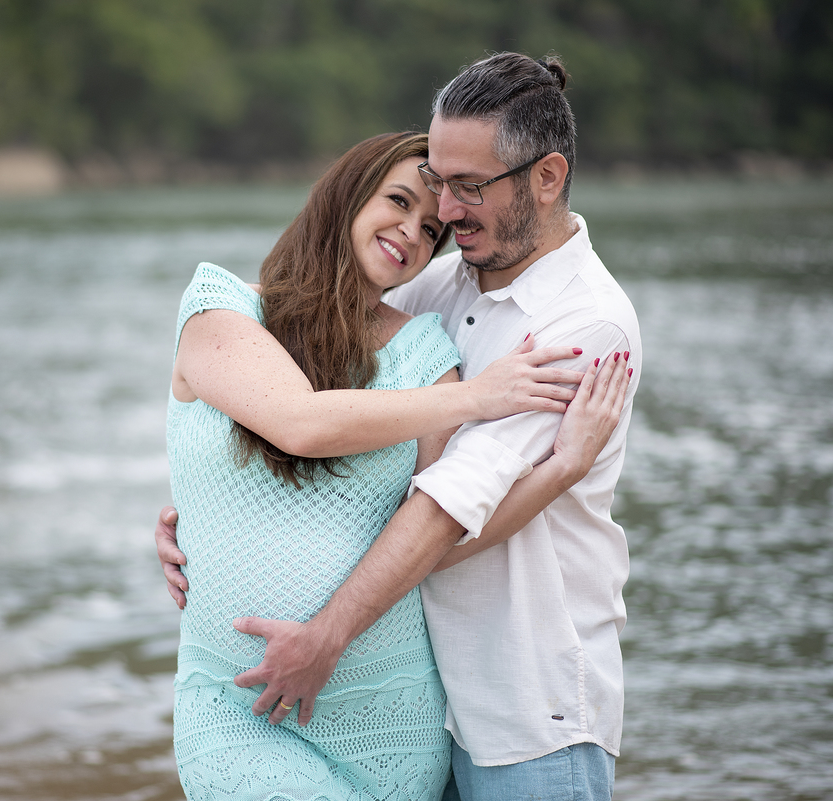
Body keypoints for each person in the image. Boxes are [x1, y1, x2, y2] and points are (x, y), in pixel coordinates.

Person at [158, 52, 641, 801]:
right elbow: (312, 417)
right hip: (423, 697)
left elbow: (444, 509)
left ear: (546, 178)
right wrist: (201, 522)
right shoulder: (432, 289)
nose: (441, 215)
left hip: (525, 709)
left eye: (466, 188)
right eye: (435, 187)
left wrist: (558, 472)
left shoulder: (585, 324)